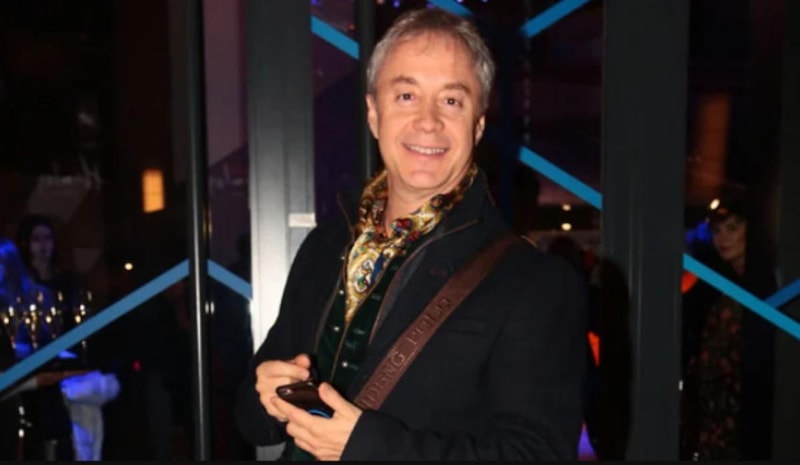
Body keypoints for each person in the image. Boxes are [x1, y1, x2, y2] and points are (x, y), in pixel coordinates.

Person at [234, 8, 588, 461]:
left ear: (478, 125)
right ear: (373, 113)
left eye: (452, 101)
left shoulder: (534, 282)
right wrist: (268, 397)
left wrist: (366, 445)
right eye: (406, 95)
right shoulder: (327, 244)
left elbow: (537, 454)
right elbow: (252, 419)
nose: (428, 121)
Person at [681, 197, 777, 460]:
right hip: (715, 411)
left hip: (750, 412)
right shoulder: (716, 284)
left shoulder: (767, 284)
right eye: (717, 230)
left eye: (733, 228)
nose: (723, 237)